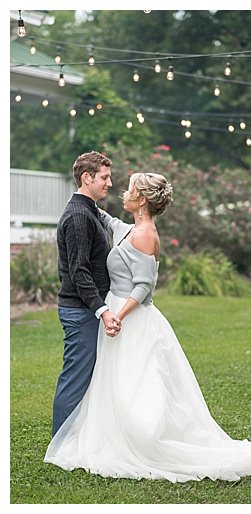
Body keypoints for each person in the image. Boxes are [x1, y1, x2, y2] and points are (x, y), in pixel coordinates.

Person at [45, 172, 251, 482]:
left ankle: (146, 437)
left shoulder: (146, 235)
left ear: (141, 200)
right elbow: (111, 222)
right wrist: (83, 200)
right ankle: (112, 432)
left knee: (137, 383)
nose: (122, 191)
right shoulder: (134, 229)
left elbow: (144, 287)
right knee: (115, 382)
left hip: (131, 320)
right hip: (115, 315)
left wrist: (118, 315)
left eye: (129, 189)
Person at [52, 151, 121, 437]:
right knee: (76, 378)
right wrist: (102, 311)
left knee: (86, 377)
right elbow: (79, 272)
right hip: (80, 311)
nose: (110, 183)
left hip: (85, 309)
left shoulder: (89, 209)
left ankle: (79, 438)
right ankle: (62, 443)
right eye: (104, 177)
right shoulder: (79, 216)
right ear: (86, 177)